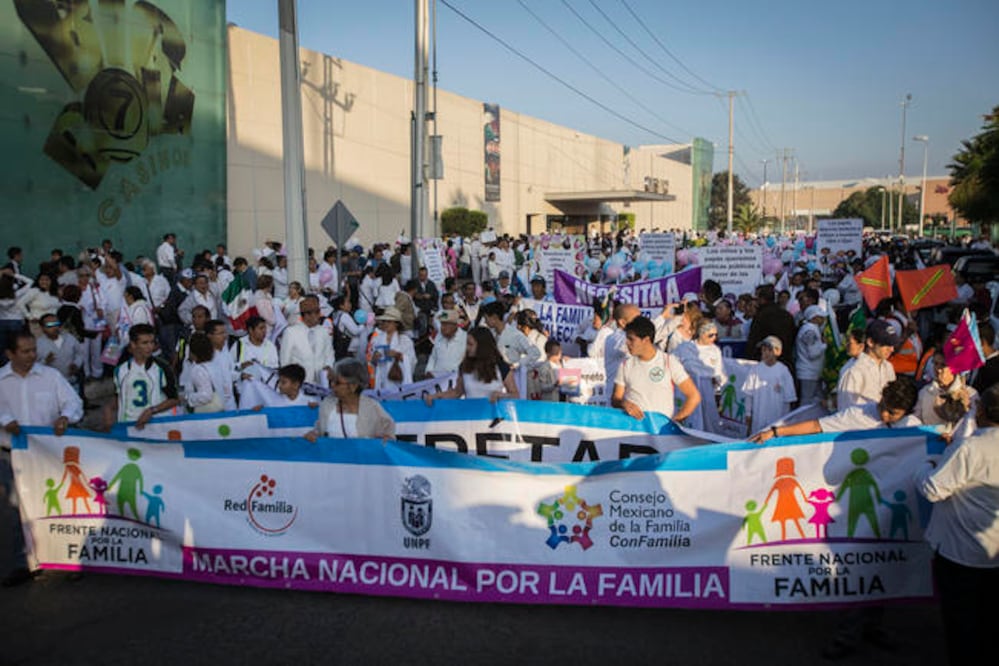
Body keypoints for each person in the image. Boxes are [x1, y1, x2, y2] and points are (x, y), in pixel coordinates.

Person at [913, 384, 999, 666]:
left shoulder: (971, 448)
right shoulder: (968, 447)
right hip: (993, 552)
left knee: (963, 629)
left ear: (982, 411)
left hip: (961, 554)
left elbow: (933, 489)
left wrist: (926, 465)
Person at [0, 329, 83, 586]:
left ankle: (64, 558)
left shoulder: (50, 376)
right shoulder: (1, 380)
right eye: (25, 351)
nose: (31, 355)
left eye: (33, 350)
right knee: (17, 511)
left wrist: (65, 417)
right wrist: (5, 421)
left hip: (47, 454)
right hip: (10, 454)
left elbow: (74, 402)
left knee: (54, 506)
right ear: (10, 353)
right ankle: (21, 563)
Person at [751, 376, 919, 444]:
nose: (884, 414)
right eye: (883, 407)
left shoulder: (915, 428)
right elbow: (817, 426)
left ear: (907, 412)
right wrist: (775, 432)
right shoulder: (858, 414)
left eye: (892, 413)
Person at [612, 316, 701, 422]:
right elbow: (616, 399)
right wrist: (624, 403)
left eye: (631, 339)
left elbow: (694, 396)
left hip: (660, 433)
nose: (627, 343)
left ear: (646, 340)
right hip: (634, 430)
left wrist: (675, 422)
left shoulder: (668, 361)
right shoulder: (625, 365)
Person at [103, 323, 179, 429]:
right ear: (133, 344)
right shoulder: (121, 370)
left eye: (152, 342)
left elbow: (174, 399)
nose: (150, 347)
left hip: (156, 427)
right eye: (145, 343)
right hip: (128, 426)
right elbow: (120, 396)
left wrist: (152, 411)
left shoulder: (162, 368)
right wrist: (109, 409)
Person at [305, 358, 395, 440]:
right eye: (331, 381)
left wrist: (386, 438)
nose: (332, 385)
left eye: (337, 382)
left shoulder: (371, 407)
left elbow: (388, 433)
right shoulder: (327, 404)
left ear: (353, 386)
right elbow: (319, 430)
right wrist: (314, 434)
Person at [424, 326, 519, 404]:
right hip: (471, 420)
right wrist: (437, 396)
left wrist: (502, 396)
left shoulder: (501, 367)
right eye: (466, 344)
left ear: (482, 346)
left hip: (495, 420)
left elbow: (515, 395)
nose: (467, 348)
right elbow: (457, 392)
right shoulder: (464, 366)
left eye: (470, 344)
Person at [674, 320, 726, 432]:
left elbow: (719, 371)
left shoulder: (715, 350)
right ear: (701, 334)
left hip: (707, 387)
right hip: (688, 385)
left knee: (709, 418)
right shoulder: (684, 347)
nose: (714, 338)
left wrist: (718, 386)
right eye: (711, 335)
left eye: (716, 335)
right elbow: (673, 364)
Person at [837, 320, 898, 410]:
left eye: (893, 344)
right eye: (886, 345)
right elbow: (845, 410)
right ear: (870, 342)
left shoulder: (888, 367)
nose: (892, 349)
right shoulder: (854, 371)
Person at [742, 336, 797, 435]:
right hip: (759, 418)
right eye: (763, 350)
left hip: (777, 418)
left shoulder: (783, 371)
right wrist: (748, 413)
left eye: (769, 350)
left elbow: (787, 399)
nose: (766, 353)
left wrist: (785, 419)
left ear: (778, 352)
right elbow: (749, 394)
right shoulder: (755, 369)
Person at [279, 295, 335, 386]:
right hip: (299, 384)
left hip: (320, 383)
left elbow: (329, 353)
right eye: (316, 312)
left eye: (319, 312)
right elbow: (285, 361)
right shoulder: (291, 332)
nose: (319, 315)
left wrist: (328, 366)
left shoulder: (323, 331)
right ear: (306, 315)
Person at [915, 350, 978, 427]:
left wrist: (966, 409)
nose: (938, 369)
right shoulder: (924, 392)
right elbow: (916, 420)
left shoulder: (970, 394)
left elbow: (974, 424)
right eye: (935, 363)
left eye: (943, 365)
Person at [745, 283, 796, 370]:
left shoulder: (761, 316)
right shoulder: (787, 315)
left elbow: (753, 340)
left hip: (765, 361)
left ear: (761, 299)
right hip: (785, 359)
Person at [480, 300, 541, 371]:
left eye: (486, 318)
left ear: (494, 317)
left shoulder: (515, 334)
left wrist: (517, 364)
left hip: (513, 376)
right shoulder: (490, 333)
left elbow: (535, 353)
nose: (485, 321)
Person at [36, 313, 85, 393]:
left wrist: (76, 364)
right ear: (42, 328)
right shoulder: (38, 344)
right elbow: (33, 367)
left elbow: (80, 353)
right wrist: (45, 361)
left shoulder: (69, 338)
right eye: (50, 325)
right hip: (52, 387)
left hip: (71, 383)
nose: (55, 328)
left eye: (56, 324)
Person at [368, 306, 415, 390]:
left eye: (389, 321)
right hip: (381, 378)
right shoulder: (376, 339)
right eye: (384, 321)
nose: (386, 324)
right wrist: (374, 358)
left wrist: (398, 355)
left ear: (396, 323)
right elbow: (372, 362)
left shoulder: (405, 340)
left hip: (398, 378)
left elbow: (412, 360)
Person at [795, 304, 828, 406]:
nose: (823, 319)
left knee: (815, 399)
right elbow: (813, 353)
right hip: (808, 372)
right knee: (806, 401)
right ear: (814, 318)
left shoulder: (811, 329)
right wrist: (825, 345)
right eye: (821, 317)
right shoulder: (810, 331)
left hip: (811, 372)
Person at [184, 332, 223, 413]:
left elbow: (206, 396)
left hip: (207, 412)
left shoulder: (198, 370)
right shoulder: (213, 365)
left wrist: (188, 397)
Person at [424, 309, 467, 378]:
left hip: (455, 379)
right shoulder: (439, 336)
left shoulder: (465, 338)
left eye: (445, 324)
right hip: (436, 379)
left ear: (455, 325)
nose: (442, 327)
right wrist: (428, 371)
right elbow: (433, 357)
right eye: (442, 324)